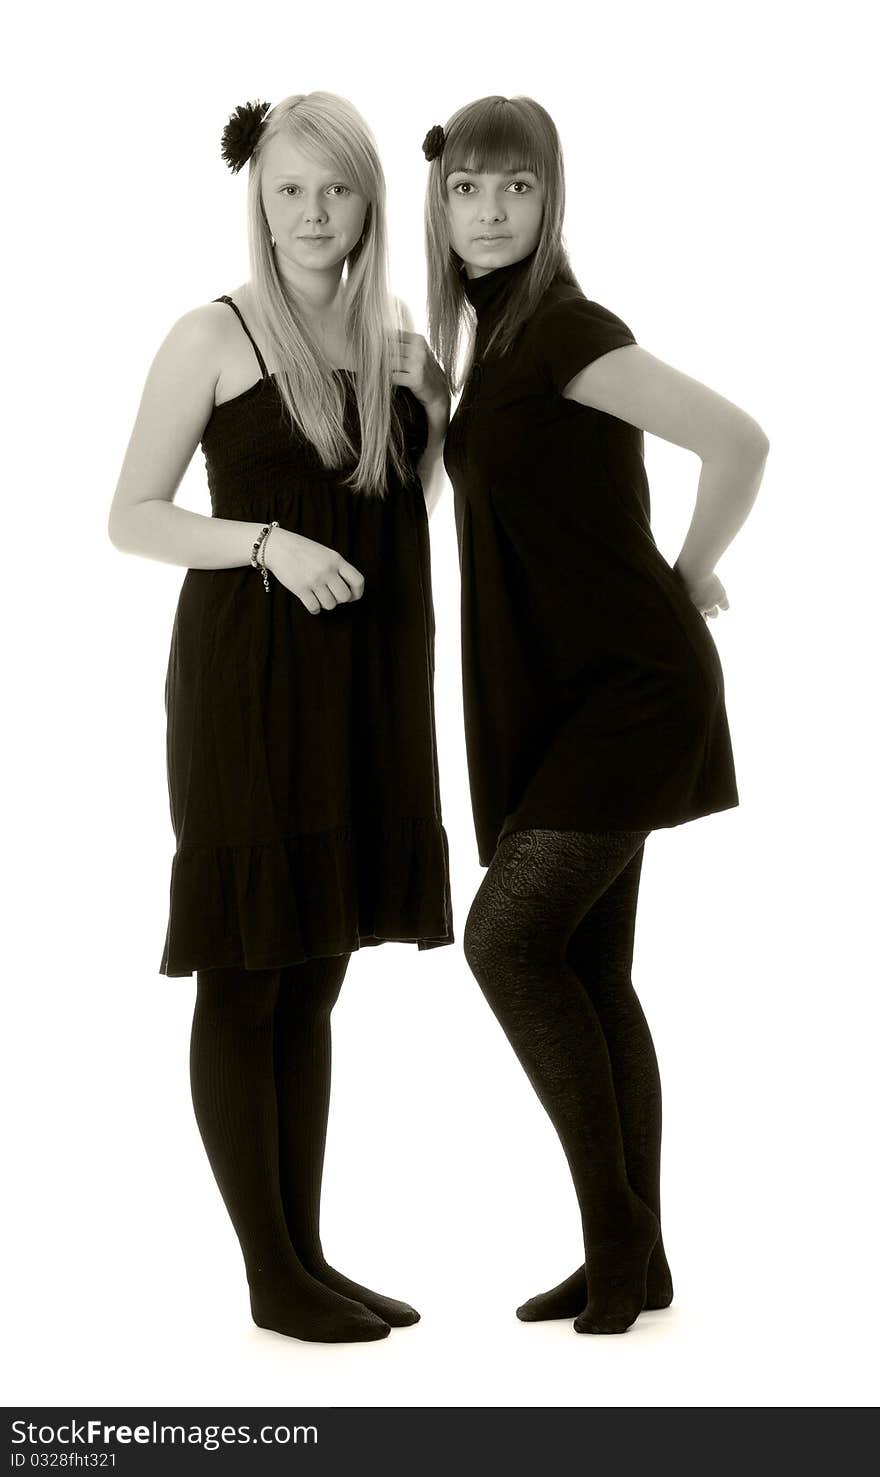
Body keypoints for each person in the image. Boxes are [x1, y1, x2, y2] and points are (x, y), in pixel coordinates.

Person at [108, 91, 454, 1344]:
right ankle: (270, 1273)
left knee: (314, 973)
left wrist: (439, 396)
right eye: (289, 190)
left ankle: (307, 1253)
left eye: (337, 190)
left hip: (363, 691)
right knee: (248, 969)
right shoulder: (212, 333)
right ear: (257, 197)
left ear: (370, 202)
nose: (312, 213)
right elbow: (131, 514)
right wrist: (260, 542)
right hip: (251, 689)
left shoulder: (397, 338)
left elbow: (402, 503)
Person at [422, 95, 768, 1334]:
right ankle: (638, 1251)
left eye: (515, 188)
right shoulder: (494, 343)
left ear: (550, 199)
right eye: (469, 187)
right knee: (586, 964)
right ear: (443, 201)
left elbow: (736, 439)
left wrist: (681, 575)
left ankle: (617, 1242)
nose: (491, 210)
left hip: (629, 693)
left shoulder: (568, 327)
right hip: (565, 697)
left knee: (507, 944)